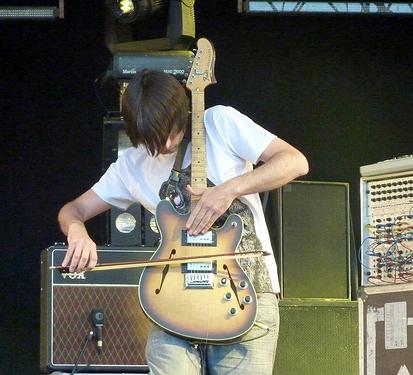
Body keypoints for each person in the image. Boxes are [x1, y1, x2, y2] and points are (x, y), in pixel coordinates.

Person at [58, 69, 309, 374]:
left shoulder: (220, 122)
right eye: (153, 137)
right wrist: (77, 231)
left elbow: (295, 161)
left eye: (171, 131)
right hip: (174, 301)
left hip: (245, 294)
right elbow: (74, 209)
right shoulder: (132, 164)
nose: (165, 143)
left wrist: (230, 189)